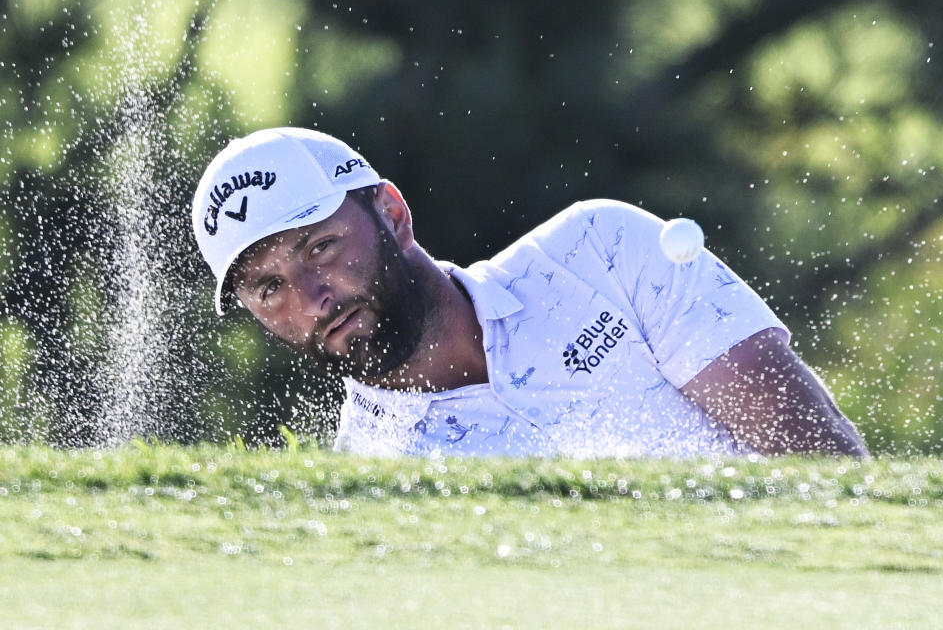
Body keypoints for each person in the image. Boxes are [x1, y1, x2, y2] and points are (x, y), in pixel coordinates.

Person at [192, 127, 868, 458]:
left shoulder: (601, 250)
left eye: (321, 247)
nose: (311, 298)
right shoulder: (371, 479)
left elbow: (815, 452)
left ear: (392, 217)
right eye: (269, 287)